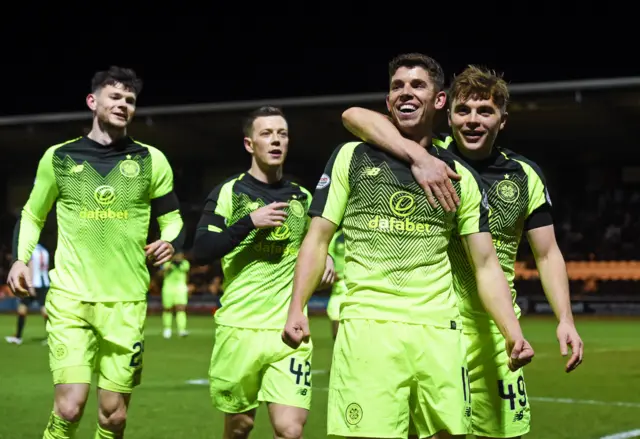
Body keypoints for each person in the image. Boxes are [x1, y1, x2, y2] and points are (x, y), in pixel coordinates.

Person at [283, 53, 534, 439]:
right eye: (397, 86)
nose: (406, 92)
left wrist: (512, 333)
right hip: (369, 325)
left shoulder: (461, 177)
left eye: (417, 85)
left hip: (440, 331)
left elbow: (486, 266)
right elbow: (317, 238)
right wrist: (297, 306)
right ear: (387, 102)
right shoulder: (351, 157)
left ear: (439, 101)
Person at [341, 64, 584, 439]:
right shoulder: (426, 159)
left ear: (502, 121)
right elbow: (355, 117)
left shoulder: (524, 175)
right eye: (463, 111)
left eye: (485, 112)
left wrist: (565, 318)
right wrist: (417, 156)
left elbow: (548, 254)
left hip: (494, 332)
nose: (473, 121)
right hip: (436, 329)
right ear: (448, 115)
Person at [7, 66, 184, 439]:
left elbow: (173, 219)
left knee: (113, 417)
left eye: (130, 100)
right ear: (93, 102)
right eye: (115, 97)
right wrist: (20, 259)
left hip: (126, 301)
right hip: (71, 297)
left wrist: (171, 240)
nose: (123, 104)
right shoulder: (59, 158)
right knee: (69, 407)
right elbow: (32, 213)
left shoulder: (152, 160)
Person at [193, 106, 335, 439]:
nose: (275, 141)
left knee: (290, 429)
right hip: (239, 328)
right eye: (266, 134)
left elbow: (314, 244)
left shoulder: (302, 197)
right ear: (249, 144)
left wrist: (324, 255)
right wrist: (248, 223)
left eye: (282, 134)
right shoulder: (229, 193)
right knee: (240, 427)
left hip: (288, 328)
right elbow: (202, 251)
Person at [5, 242, 50, 345]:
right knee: (26, 307)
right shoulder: (44, 250)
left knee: (32, 309)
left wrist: (31, 286)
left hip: (34, 284)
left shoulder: (32, 250)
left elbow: (31, 266)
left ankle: (18, 337)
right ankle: (18, 337)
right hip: (44, 283)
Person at [160, 252, 191, 338]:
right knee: (167, 309)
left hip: (180, 288)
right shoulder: (167, 263)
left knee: (181, 308)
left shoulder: (185, 263)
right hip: (168, 288)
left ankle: (182, 329)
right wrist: (169, 266)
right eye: (177, 255)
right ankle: (167, 329)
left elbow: (186, 272)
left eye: (180, 255)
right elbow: (162, 271)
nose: (178, 257)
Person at [326, 228, 346, 339]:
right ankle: (337, 345)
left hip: (356, 284)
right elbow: (329, 255)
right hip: (339, 286)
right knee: (335, 316)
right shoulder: (336, 237)